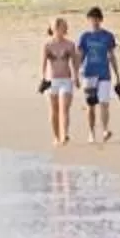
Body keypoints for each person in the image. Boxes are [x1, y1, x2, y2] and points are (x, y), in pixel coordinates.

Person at [76, 6, 120, 145]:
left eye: (97, 19)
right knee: (91, 105)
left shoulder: (108, 36)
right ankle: (91, 132)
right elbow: (80, 55)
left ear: (101, 20)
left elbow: (111, 56)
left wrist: (118, 76)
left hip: (104, 74)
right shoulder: (84, 37)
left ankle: (105, 130)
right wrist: (75, 73)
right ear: (88, 20)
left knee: (104, 103)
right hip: (89, 74)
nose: (94, 22)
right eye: (91, 19)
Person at [38, 16, 82, 146]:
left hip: (66, 80)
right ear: (52, 28)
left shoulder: (70, 44)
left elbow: (74, 62)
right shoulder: (47, 45)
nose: (60, 28)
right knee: (54, 111)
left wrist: (76, 77)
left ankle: (65, 135)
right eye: (57, 26)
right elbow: (43, 63)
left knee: (64, 109)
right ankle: (56, 136)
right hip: (51, 81)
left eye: (62, 26)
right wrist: (43, 78)